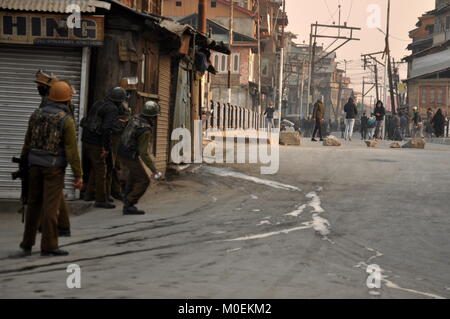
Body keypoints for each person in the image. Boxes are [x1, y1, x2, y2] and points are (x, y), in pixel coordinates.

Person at [19, 81, 83, 257]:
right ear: (67, 99)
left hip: (34, 166)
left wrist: (24, 163)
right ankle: (49, 246)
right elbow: (71, 150)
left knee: (33, 205)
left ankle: (27, 243)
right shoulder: (66, 119)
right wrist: (78, 174)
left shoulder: (36, 114)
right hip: (53, 168)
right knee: (50, 207)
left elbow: (27, 142)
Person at [34, 70, 72, 237]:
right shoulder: (49, 101)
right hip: (50, 152)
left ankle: (49, 225)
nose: (39, 88)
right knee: (55, 193)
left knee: (49, 193)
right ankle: (62, 226)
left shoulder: (55, 105)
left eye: (42, 86)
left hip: (51, 153)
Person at [81, 87, 128, 209]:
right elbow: (106, 129)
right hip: (96, 142)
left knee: (95, 168)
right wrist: (106, 148)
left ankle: (89, 194)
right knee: (102, 170)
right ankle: (101, 200)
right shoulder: (112, 108)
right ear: (119, 100)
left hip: (86, 140)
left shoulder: (99, 102)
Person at [118, 101, 162, 215]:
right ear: (152, 116)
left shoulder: (135, 118)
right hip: (130, 155)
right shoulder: (145, 130)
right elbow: (144, 153)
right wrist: (154, 169)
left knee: (133, 177)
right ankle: (129, 203)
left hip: (122, 150)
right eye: (156, 115)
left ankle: (126, 199)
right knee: (144, 180)